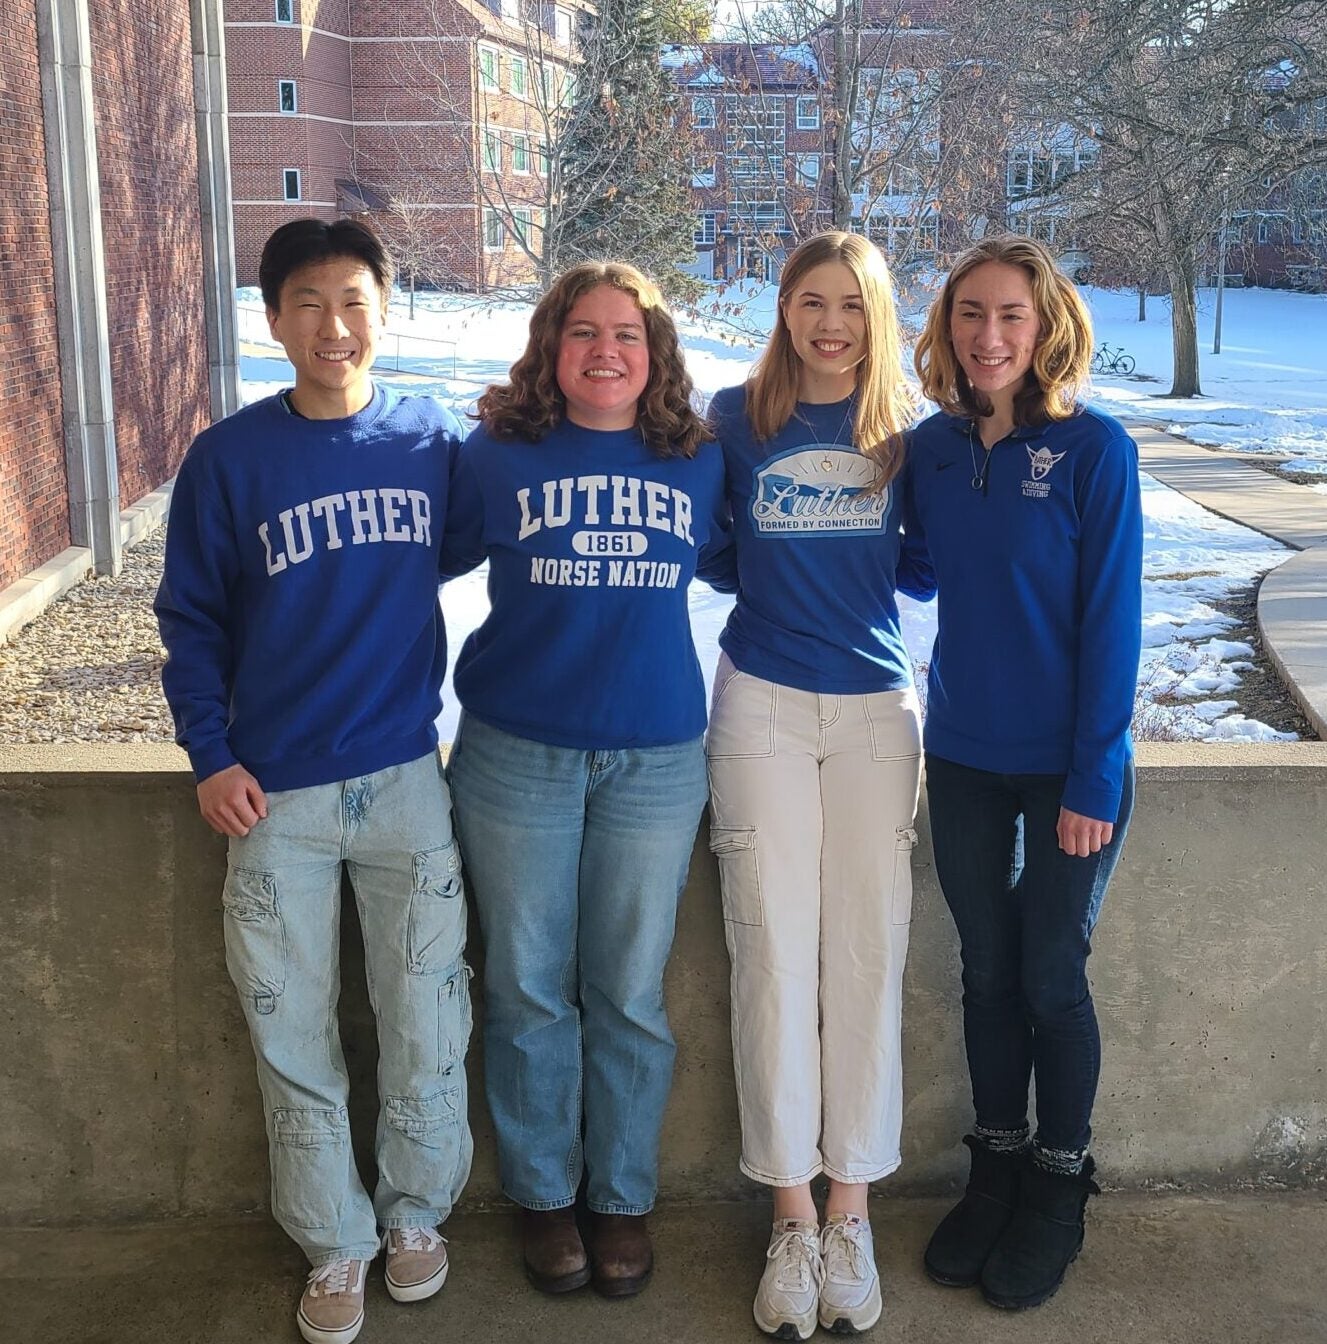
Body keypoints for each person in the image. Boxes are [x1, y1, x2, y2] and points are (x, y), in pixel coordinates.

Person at [155, 218, 472, 1344]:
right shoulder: (229, 459)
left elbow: (496, 533)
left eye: (353, 302)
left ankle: (415, 1213)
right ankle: (333, 1238)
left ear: (384, 309)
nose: (333, 327)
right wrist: (211, 753)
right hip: (274, 793)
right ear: (274, 316)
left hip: (405, 778)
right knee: (291, 1029)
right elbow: (190, 618)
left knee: (425, 1014)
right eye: (308, 303)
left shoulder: (431, 441)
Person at [442, 262, 733, 1299]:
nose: (605, 351)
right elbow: (407, 565)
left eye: (626, 334)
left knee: (628, 991)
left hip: (655, 759)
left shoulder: (698, 458)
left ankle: (620, 1196)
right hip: (516, 755)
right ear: (549, 346)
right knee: (525, 985)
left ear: (655, 354)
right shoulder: (494, 455)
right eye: (582, 332)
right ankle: (541, 1194)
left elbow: (755, 561)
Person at [908, 235, 1142, 1311]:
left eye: (1010, 314)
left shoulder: (1093, 450)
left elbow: (1112, 623)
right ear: (947, 326)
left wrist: (1093, 776)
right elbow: (913, 565)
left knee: (1050, 976)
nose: (988, 334)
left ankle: (1057, 1182)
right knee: (986, 973)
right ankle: (995, 1166)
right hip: (961, 752)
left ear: (1046, 325)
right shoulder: (932, 449)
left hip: (1065, 772)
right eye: (969, 313)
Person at [705, 231, 931, 1340]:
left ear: (875, 316)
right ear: (783, 309)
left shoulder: (908, 436)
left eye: (850, 304)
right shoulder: (732, 420)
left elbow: (925, 564)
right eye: (810, 301)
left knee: (866, 956)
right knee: (771, 953)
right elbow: (708, 544)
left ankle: (852, 1212)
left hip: (876, 716)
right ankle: (791, 1217)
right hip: (762, 705)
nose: (829, 323)